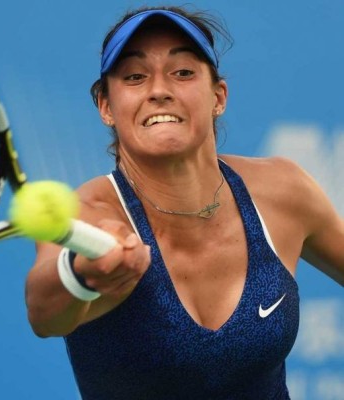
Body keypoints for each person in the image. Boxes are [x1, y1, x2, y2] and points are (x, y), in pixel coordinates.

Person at [25, 5, 344, 399]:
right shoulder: (88, 214)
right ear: (106, 107)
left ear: (218, 96)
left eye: (182, 72)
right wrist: (81, 274)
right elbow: (44, 313)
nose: (159, 90)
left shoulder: (283, 189)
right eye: (135, 76)